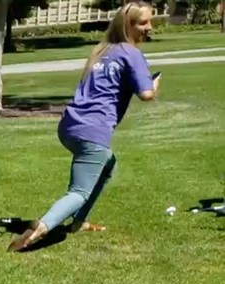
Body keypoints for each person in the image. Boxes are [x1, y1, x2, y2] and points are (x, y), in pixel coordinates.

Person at [9, 2, 159, 253]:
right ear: (128, 25)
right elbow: (145, 94)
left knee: (108, 164)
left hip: (69, 126)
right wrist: (155, 86)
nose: (149, 27)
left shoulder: (102, 51)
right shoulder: (131, 53)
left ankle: (78, 221)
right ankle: (40, 229)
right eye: (143, 23)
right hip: (93, 130)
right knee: (78, 192)